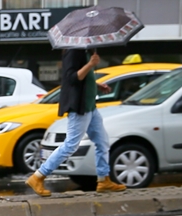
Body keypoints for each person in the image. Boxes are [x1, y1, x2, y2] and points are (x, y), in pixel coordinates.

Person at [25, 48, 126, 197]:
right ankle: (38, 176)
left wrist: (97, 85)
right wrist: (91, 64)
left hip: (90, 107)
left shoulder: (86, 51)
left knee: (102, 141)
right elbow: (71, 78)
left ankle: (103, 180)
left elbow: (84, 78)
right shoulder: (73, 52)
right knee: (71, 145)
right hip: (80, 108)